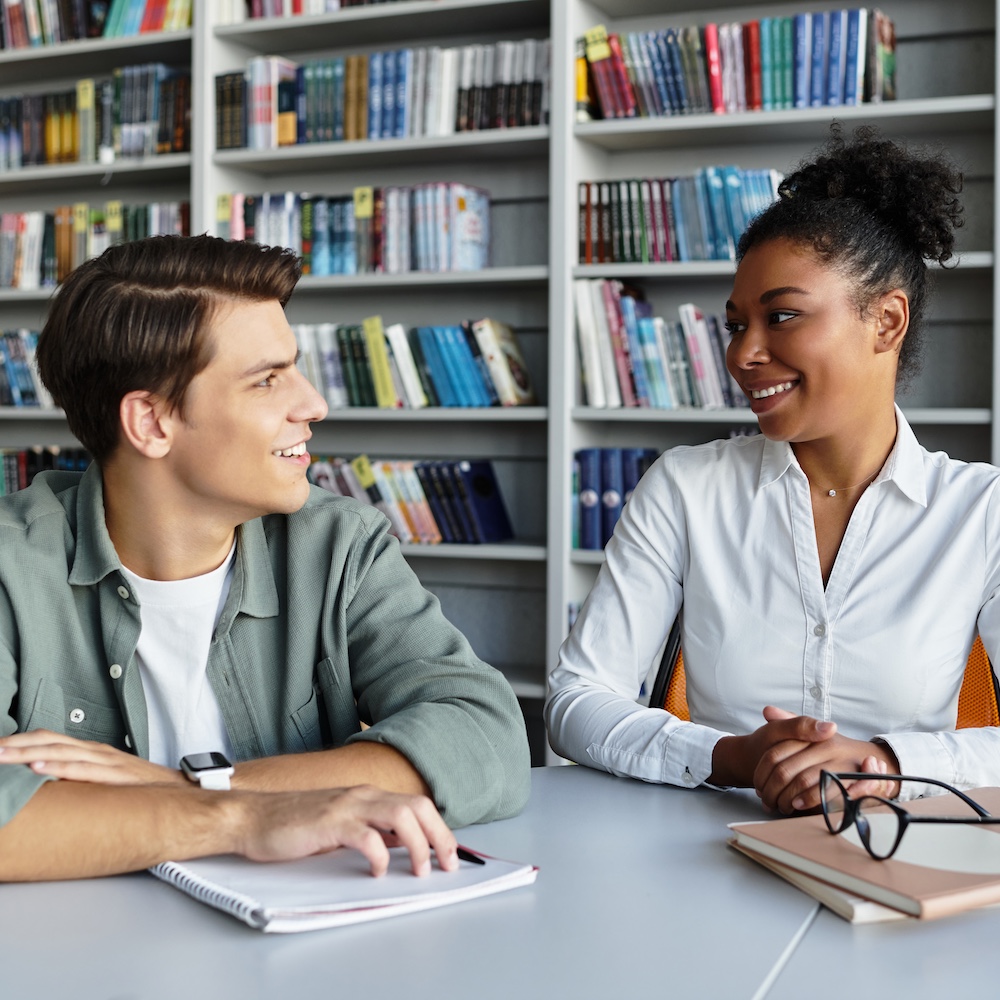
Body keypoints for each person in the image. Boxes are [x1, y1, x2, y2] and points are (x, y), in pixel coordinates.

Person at [0, 234, 530, 881]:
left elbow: (486, 739)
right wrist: (245, 818)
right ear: (152, 423)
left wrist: (196, 784)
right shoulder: (11, 564)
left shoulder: (341, 545)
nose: (313, 404)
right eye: (268, 379)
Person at [546, 125, 1000, 815]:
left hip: (901, 857)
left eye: (782, 316)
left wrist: (886, 763)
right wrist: (730, 755)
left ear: (886, 321)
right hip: (710, 856)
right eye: (736, 325)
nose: (743, 355)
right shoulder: (685, 487)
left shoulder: (982, 511)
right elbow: (576, 701)